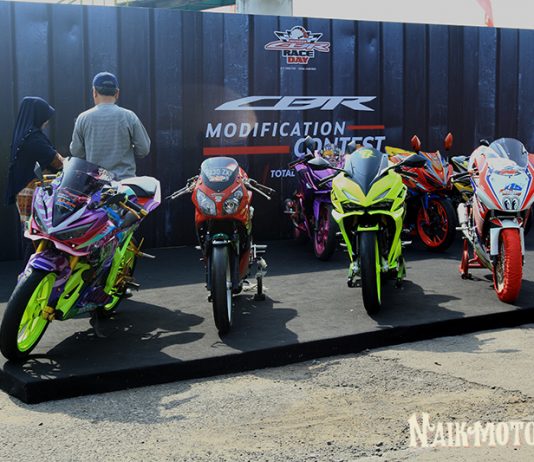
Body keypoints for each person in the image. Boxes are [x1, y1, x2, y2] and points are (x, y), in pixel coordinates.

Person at [5, 97, 64, 248]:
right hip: (31, 190)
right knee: (34, 235)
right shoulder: (33, 138)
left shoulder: (23, 134)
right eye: (45, 117)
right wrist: (68, 163)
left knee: (29, 231)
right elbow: (56, 161)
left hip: (22, 190)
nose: (47, 122)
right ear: (37, 115)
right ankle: (32, 262)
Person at [70, 72, 151, 179]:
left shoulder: (83, 118)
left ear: (94, 92)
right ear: (117, 93)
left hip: (96, 183)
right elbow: (144, 150)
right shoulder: (129, 116)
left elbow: (76, 152)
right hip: (125, 182)